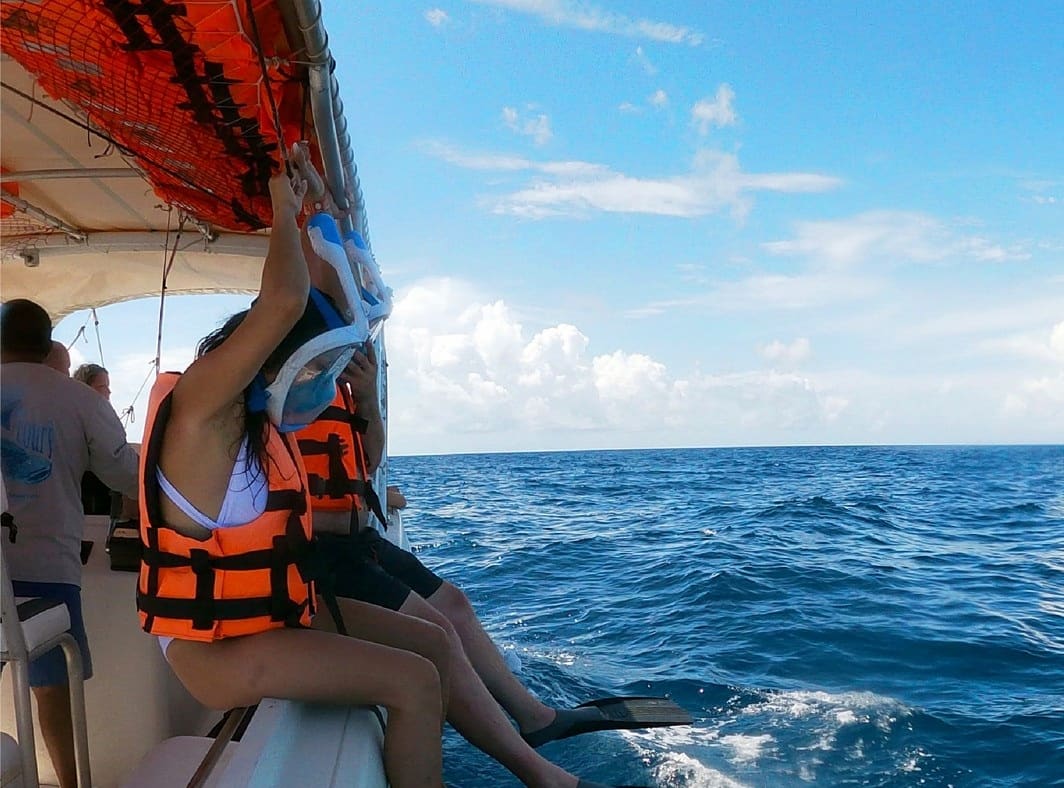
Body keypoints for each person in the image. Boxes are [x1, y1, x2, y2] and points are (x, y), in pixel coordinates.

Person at [137, 158, 449, 788]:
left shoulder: (263, 428)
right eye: (313, 372)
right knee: (413, 683)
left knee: (434, 646)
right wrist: (282, 201)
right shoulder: (201, 417)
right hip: (215, 652)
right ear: (262, 363)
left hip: (269, 618)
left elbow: (337, 301)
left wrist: (320, 210)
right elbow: (284, 302)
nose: (323, 387)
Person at [299, 348, 655, 788]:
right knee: (437, 637)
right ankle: (542, 776)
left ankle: (534, 717)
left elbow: (365, 463)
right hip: (315, 553)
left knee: (454, 604)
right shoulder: (266, 399)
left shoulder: (324, 385)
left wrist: (368, 399)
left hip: (353, 538)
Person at [0, 298, 140, 788]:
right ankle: (70, 783)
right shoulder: (78, 399)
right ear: (47, 346)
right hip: (46, 568)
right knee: (52, 694)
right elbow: (125, 474)